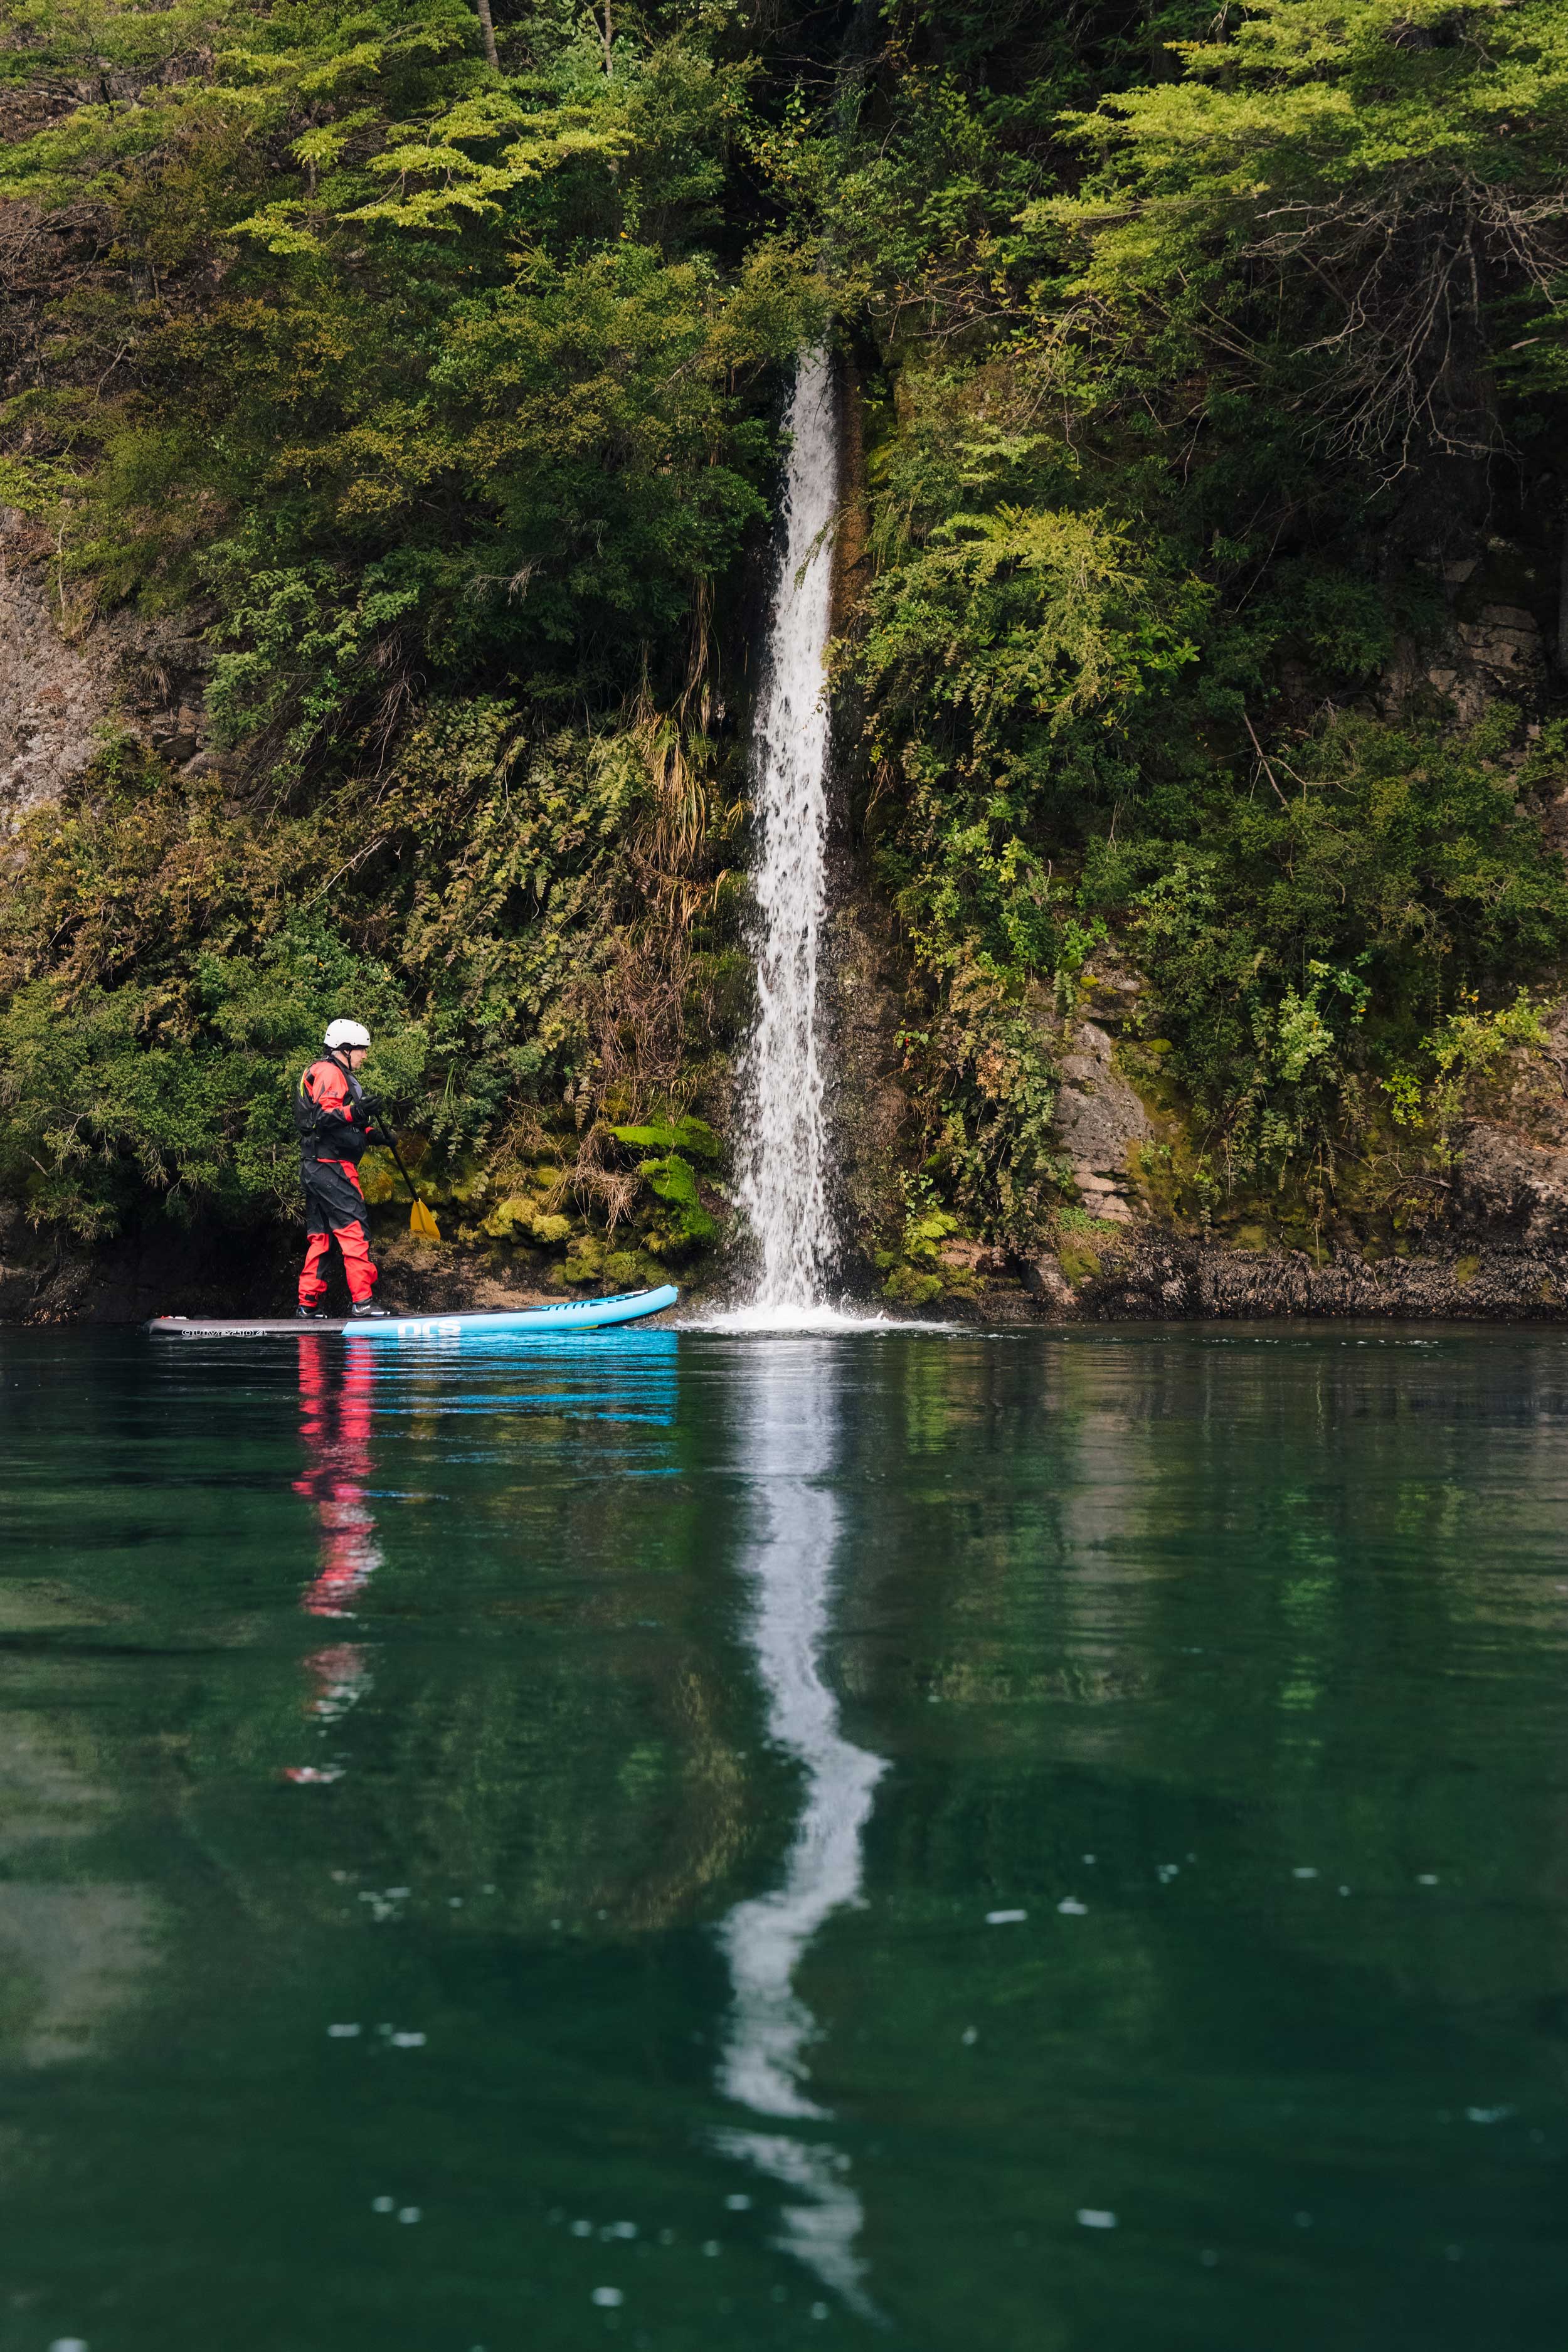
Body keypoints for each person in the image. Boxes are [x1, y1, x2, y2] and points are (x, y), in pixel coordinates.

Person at [294, 1018, 389, 1319]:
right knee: (354, 1230)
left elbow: (339, 1125)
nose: (364, 1056)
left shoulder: (332, 1072)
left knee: (321, 1236)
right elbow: (325, 1117)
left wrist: (374, 1136)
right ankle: (363, 1302)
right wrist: (359, 1111)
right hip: (332, 1167)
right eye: (361, 1050)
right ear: (345, 1049)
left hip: (317, 1166)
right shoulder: (331, 1072)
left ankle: (307, 1305)